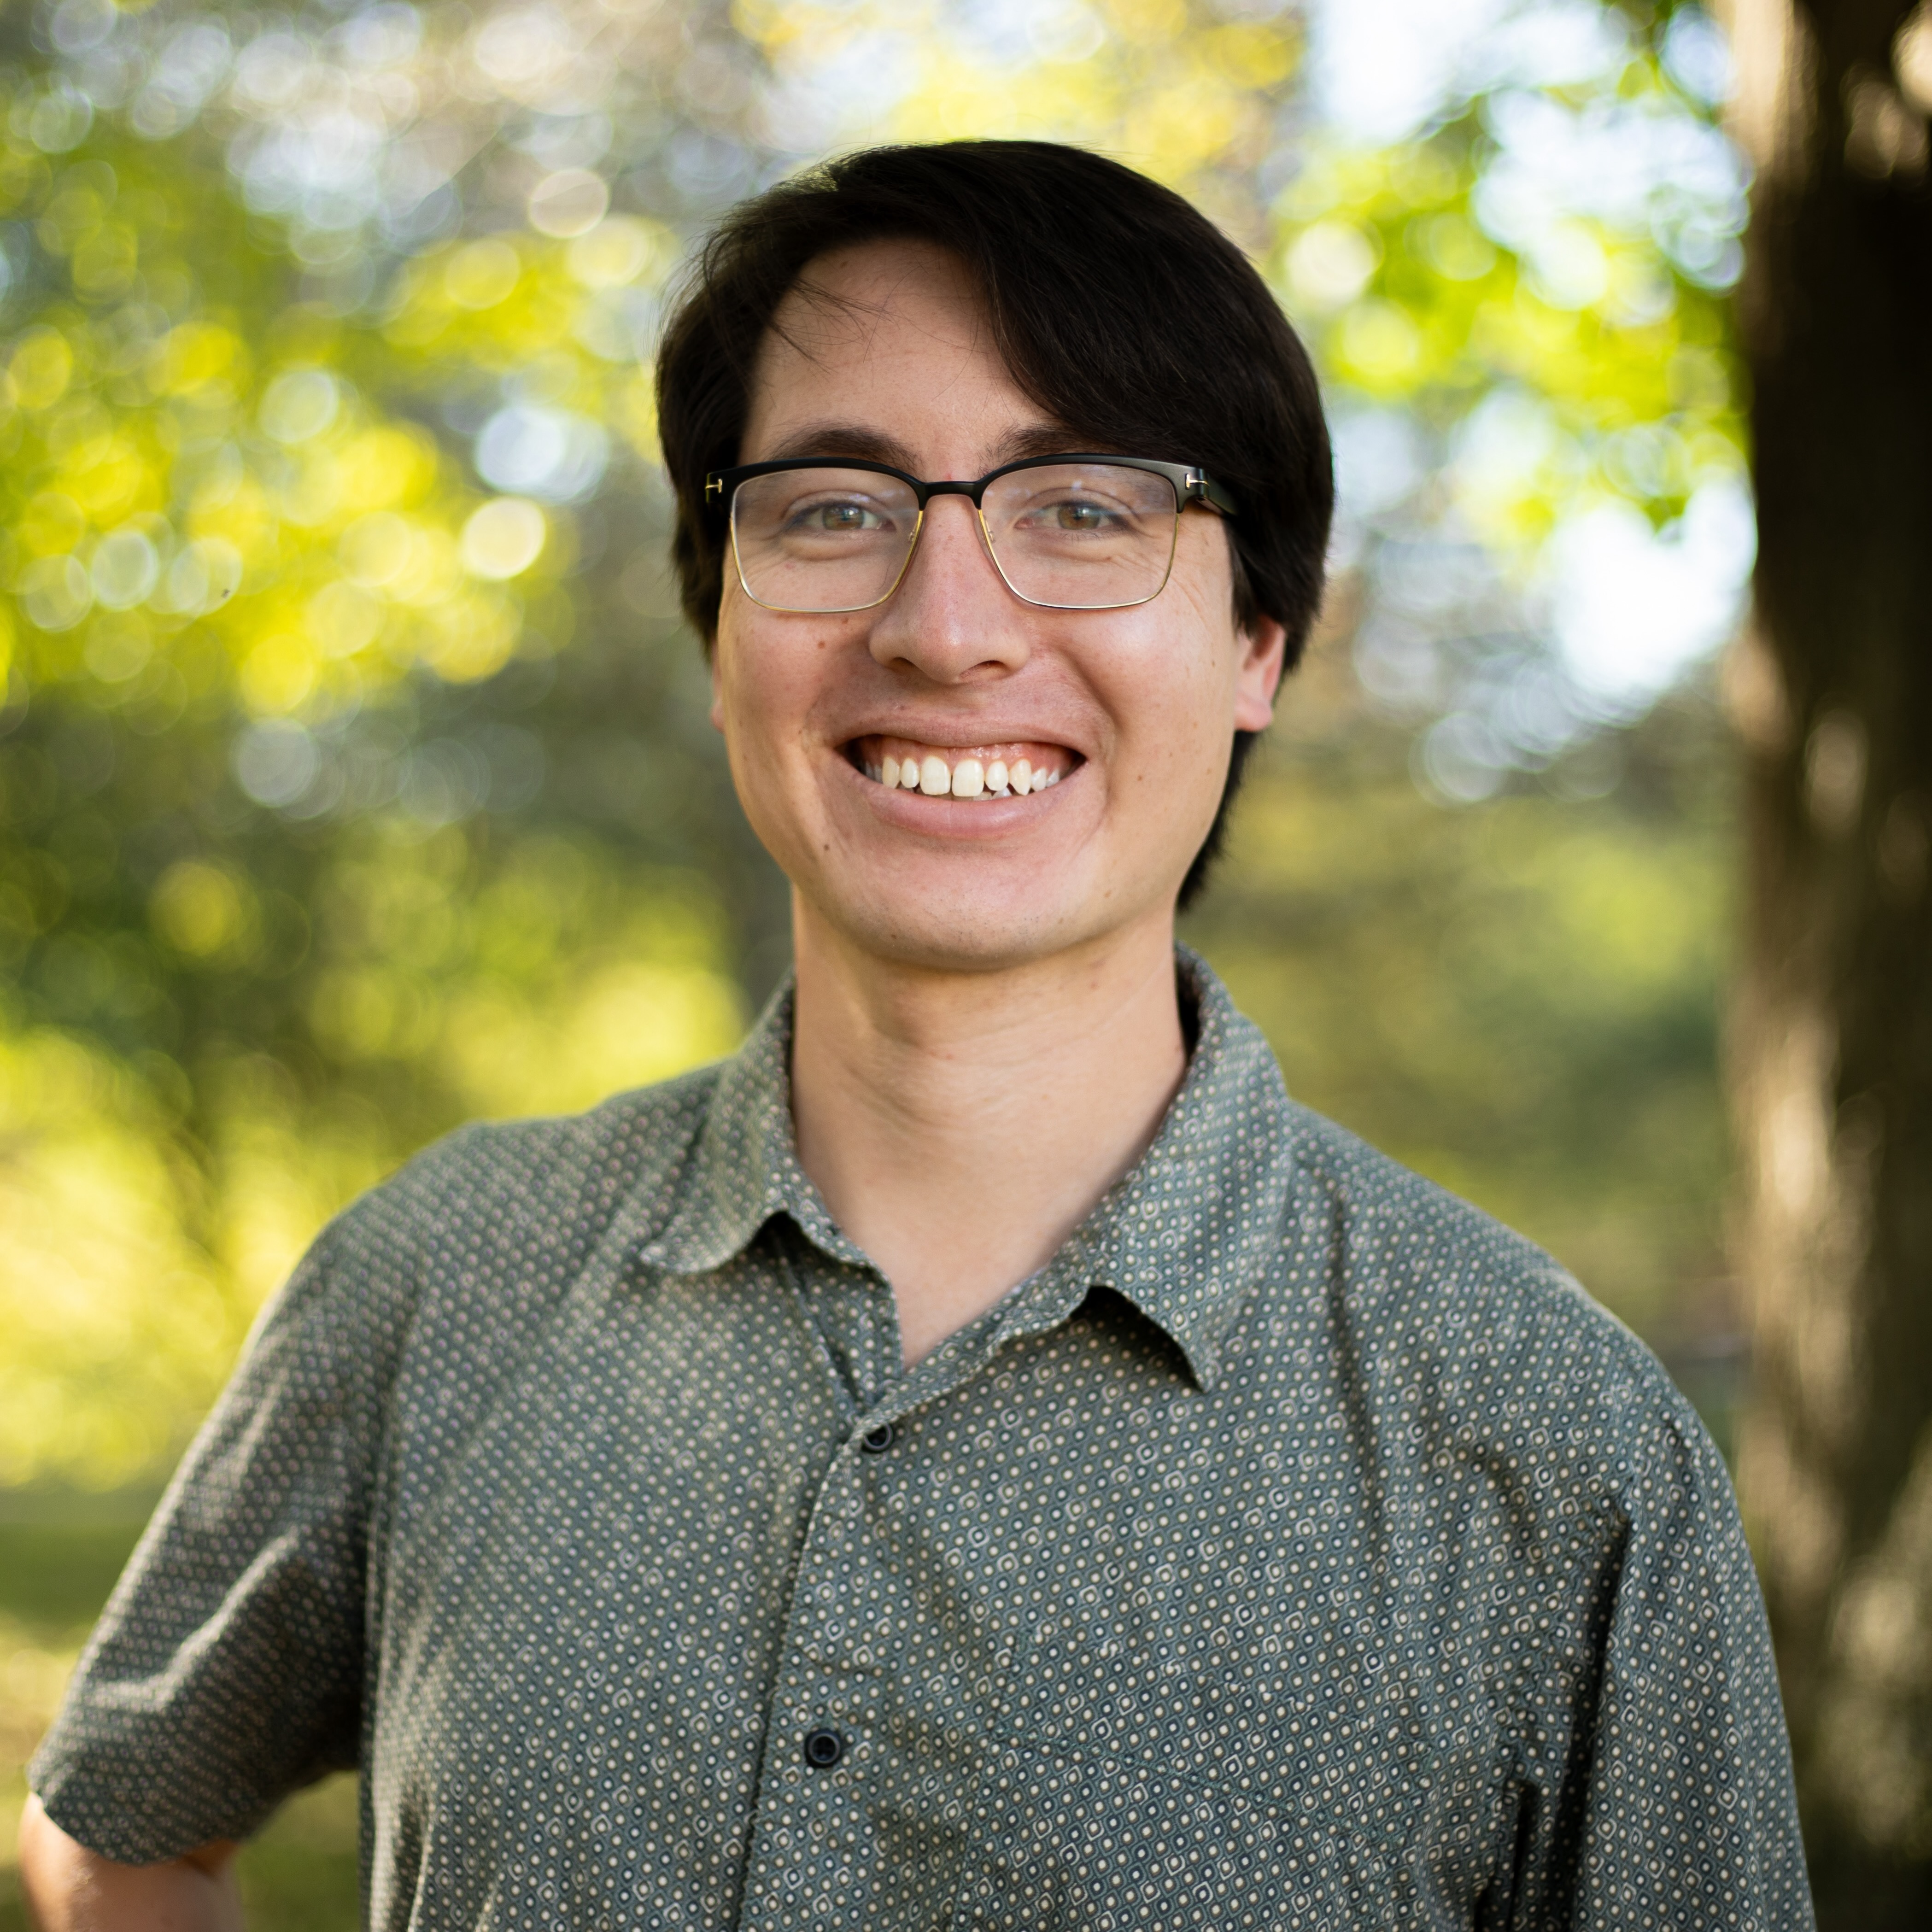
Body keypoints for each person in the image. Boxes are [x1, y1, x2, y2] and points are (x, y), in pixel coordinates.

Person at [22, 141, 1813, 1930]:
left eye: (1085, 508)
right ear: (717, 617)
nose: (945, 626)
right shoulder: (432, 1284)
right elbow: (122, 1820)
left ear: (1258, 635)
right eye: (830, 507)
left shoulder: (1558, 1449)